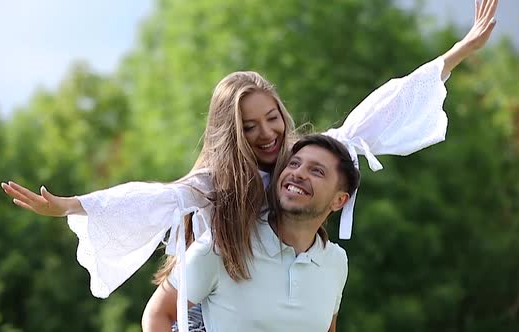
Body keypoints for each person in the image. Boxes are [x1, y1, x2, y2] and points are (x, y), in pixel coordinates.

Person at [0, 1, 498, 329]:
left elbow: (374, 116)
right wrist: (72, 205)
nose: (266, 134)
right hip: (217, 288)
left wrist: (455, 55)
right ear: (230, 133)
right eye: (249, 127)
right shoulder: (214, 186)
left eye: (272, 118)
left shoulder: (302, 165)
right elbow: (155, 198)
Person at [143, 134, 360, 332]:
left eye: (317, 171)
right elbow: (158, 314)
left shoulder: (336, 262)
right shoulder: (224, 245)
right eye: (294, 163)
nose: (298, 173)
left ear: (339, 200)